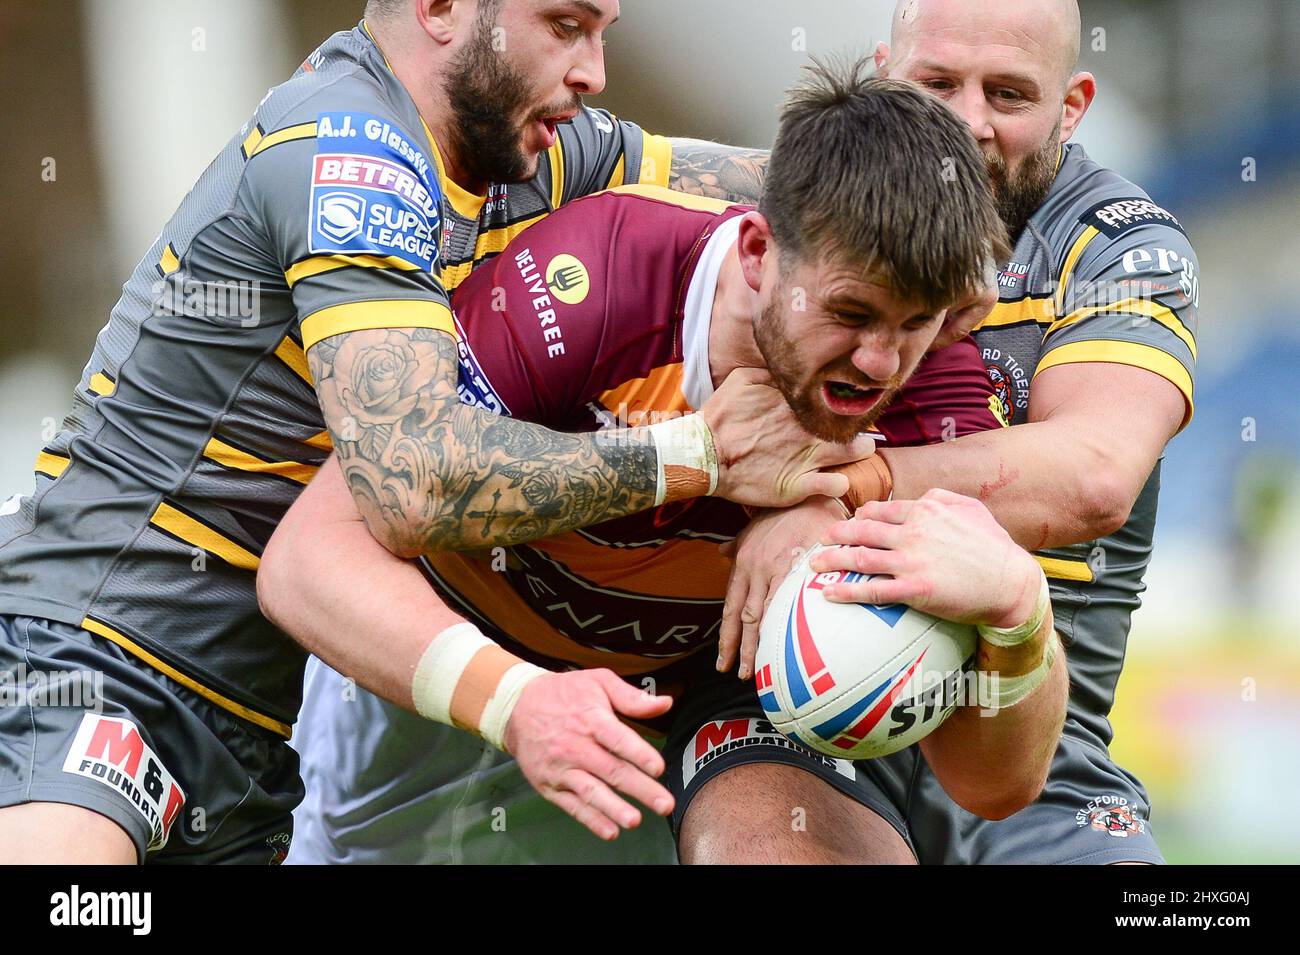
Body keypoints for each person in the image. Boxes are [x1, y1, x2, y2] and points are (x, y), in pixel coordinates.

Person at [0, 0, 856, 864]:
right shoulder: (351, 153)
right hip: (94, 656)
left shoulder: (534, 149)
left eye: (604, 31)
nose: (594, 69)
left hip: (248, 732)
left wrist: (955, 191)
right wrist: (699, 457)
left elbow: (825, 199)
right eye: (565, 26)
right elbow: (414, 480)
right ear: (442, 8)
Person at [264, 67, 1062, 865]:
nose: (879, 360)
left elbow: (993, 785)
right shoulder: (597, 280)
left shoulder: (934, 381)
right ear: (757, 252)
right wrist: (518, 697)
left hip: (701, 678)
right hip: (462, 648)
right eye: (849, 313)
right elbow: (306, 558)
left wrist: (1021, 618)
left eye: (913, 325)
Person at [718, 0, 1198, 865]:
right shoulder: (800, 200)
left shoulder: (1118, 249)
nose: (968, 123)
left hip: (1042, 754)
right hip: (806, 724)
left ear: (1073, 105)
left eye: (1009, 94)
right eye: (938, 83)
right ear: (884, 74)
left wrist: (839, 493)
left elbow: (1091, 475)